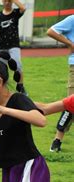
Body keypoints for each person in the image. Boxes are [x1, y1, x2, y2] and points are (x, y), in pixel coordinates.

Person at [46, 14, 74, 152]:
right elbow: (51, 31)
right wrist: (70, 43)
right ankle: (57, 139)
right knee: (70, 104)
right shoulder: (72, 19)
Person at [0, 0, 26, 94]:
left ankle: (20, 87)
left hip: (14, 45)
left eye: (9, 1)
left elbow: (23, 8)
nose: (7, 3)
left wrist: (14, 0)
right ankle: (2, 89)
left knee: (17, 65)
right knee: (1, 68)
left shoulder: (15, 13)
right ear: (2, 1)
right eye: (5, 1)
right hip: (1, 45)